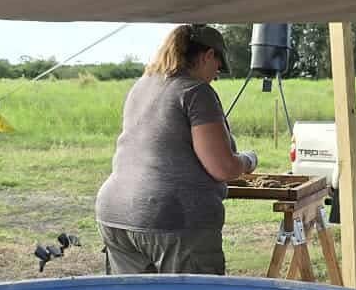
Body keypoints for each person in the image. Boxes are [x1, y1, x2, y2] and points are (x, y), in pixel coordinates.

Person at [94, 24, 257, 275]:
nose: (216, 74)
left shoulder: (142, 85)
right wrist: (248, 160)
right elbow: (222, 168)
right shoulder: (196, 91)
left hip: (116, 213)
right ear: (207, 55)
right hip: (171, 217)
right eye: (218, 66)